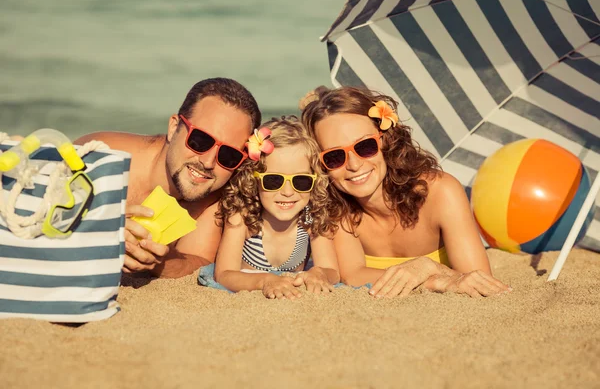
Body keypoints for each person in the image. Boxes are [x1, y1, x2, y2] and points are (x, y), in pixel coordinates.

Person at [300, 86, 511, 298]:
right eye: (334, 157)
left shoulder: (441, 193)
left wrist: (428, 266)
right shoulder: (337, 208)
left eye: (365, 146)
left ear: (386, 140)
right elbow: (353, 275)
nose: (354, 165)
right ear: (321, 165)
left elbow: (479, 279)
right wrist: (431, 278)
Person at [74, 78, 261, 278]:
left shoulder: (214, 198)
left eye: (228, 155)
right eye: (200, 140)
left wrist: (158, 262)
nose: (208, 162)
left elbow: (198, 261)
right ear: (174, 128)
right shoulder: (103, 156)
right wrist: (97, 228)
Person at [214, 116, 340, 299]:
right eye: (273, 181)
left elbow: (333, 271)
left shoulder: (312, 218)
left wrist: (319, 272)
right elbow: (224, 274)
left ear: (315, 181)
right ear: (253, 179)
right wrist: (265, 280)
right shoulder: (243, 217)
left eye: (301, 181)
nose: (288, 192)